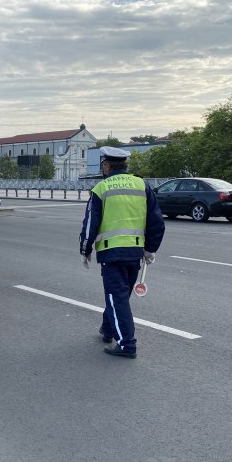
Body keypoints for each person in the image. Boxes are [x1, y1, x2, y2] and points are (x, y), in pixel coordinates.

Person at [79, 147, 165, 359]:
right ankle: (108, 330)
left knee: (117, 298)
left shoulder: (101, 188)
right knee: (120, 296)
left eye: (103, 165)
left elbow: (91, 224)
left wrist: (85, 249)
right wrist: (150, 248)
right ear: (125, 165)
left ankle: (127, 344)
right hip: (135, 252)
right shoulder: (142, 185)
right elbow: (156, 221)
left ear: (107, 166)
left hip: (111, 253)